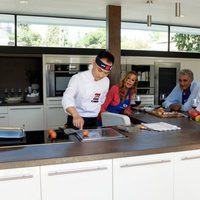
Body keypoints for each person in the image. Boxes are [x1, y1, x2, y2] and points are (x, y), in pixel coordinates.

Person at [62, 50, 114, 129]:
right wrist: (75, 115)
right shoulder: (78, 78)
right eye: (99, 70)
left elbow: (102, 99)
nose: (101, 75)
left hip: (93, 120)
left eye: (106, 73)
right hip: (76, 119)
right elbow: (67, 98)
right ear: (93, 62)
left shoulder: (106, 81)